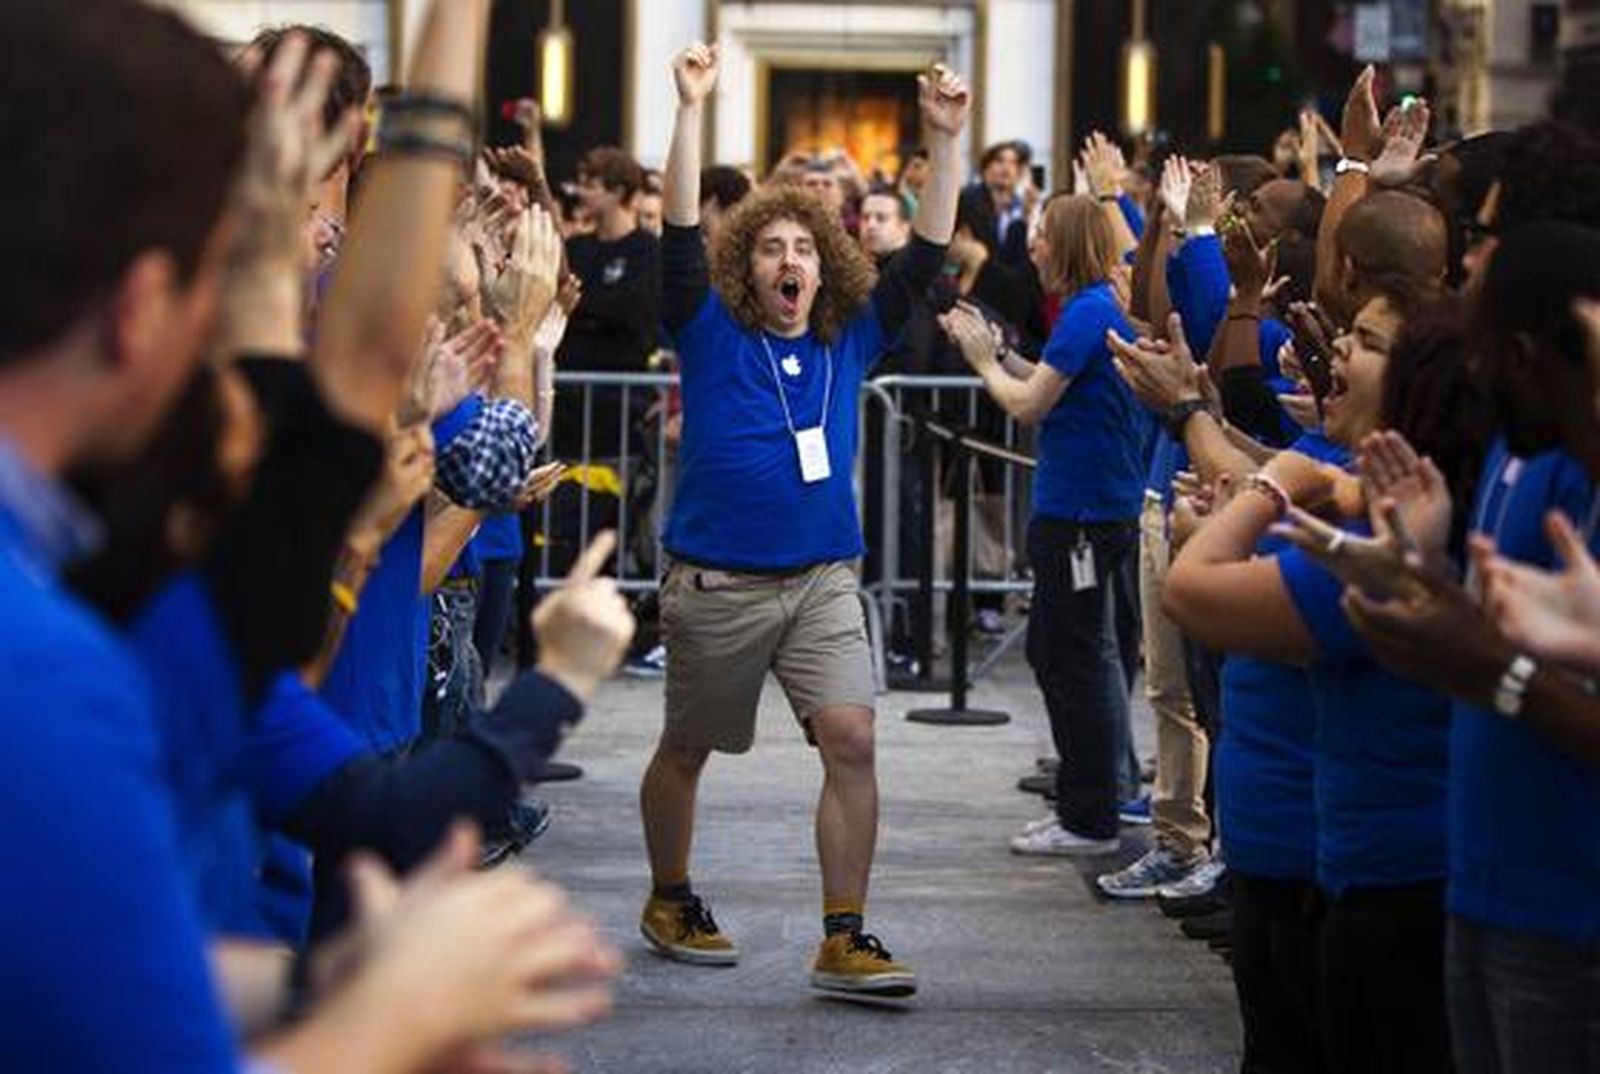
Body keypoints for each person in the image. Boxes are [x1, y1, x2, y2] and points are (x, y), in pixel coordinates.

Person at [636, 41, 969, 997]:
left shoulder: (851, 339)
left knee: (854, 739)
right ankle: (670, 894)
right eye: (774, 247)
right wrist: (690, 108)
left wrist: (944, 142)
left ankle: (845, 934)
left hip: (824, 576)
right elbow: (672, 229)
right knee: (687, 750)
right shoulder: (706, 328)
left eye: (807, 250)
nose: (791, 260)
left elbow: (929, 254)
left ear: (829, 271)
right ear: (748, 264)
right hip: (716, 580)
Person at [939, 192, 1152, 857]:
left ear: (1067, 244)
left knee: (1075, 661)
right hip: (1087, 507)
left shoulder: (1089, 311)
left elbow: (1030, 406)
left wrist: (981, 363)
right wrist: (1002, 354)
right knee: (1066, 656)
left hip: (1082, 514)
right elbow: (1053, 383)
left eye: (1040, 236)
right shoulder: (1092, 310)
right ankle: (1089, 800)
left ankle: (1089, 817)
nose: (1031, 247)